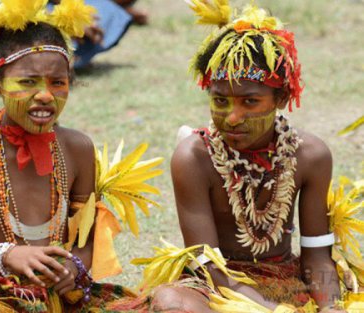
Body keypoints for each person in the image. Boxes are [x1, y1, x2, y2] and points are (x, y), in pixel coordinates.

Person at [104, 1, 363, 312]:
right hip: (214, 286)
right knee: (173, 303)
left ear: (280, 98)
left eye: (250, 101)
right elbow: (208, 268)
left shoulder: (310, 156)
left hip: (285, 283)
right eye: (220, 100)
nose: (233, 116)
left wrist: (330, 307)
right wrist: (269, 310)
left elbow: (317, 256)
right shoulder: (194, 157)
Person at [0, 0, 162, 311]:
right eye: (27, 82)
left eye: (58, 83)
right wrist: (4, 257)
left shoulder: (78, 149)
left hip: (58, 299)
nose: (45, 96)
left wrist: (73, 268)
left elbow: (85, 239)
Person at [0, 0, 132, 72]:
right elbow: (7, 10)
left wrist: (70, 11)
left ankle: (58, 51)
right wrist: (60, 19)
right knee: (21, 32)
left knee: (97, 12)